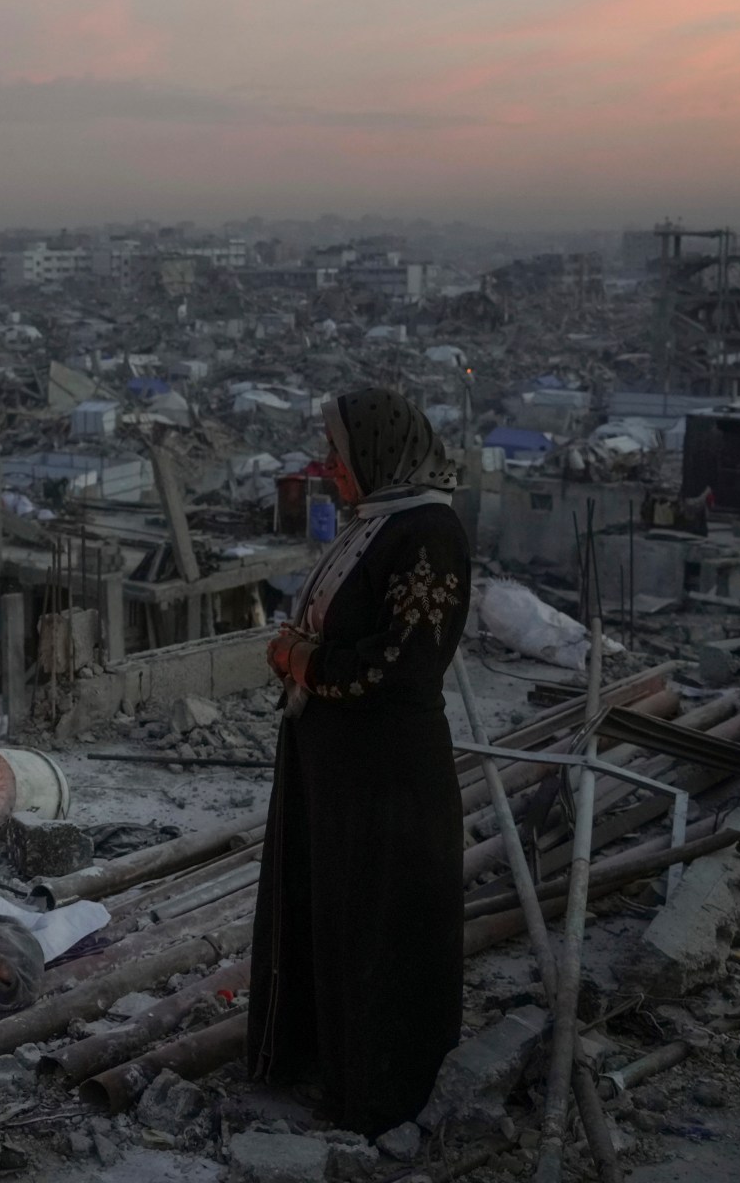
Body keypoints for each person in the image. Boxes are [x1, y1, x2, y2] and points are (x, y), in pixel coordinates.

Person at [247, 386, 471, 1138]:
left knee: (378, 927)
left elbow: (404, 667)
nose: (330, 468)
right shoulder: (372, 526)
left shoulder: (426, 533)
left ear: (376, 453)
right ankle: (321, 1066)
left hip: (387, 779)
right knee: (331, 914)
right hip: (337, 768)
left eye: (338, 454)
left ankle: (376, 1094)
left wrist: (304, 659)